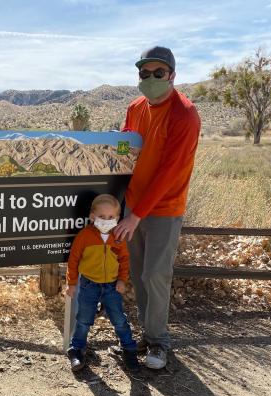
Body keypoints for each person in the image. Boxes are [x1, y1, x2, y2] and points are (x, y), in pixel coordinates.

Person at [112, 46, 201, 369]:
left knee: (156, 274)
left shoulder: (185, 115)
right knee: (138, 274)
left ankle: (159, 342)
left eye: (158, 73)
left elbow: (169, 172)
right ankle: (147, 336)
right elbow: (126, 146)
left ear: (173, 76)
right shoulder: (135, 107)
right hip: (133, 204)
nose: (150, 79)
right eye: (144, 74)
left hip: (163, 208)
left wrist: (136, 216)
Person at [65, 194, 139, 372]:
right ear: (92, 217)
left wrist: (122, 280)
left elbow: (124, 260)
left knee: (119, 319)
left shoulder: (118, 237)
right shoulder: (84, 236)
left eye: (111, 217)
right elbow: (73, 260)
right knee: (83, 319)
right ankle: (76, 350)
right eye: (102, 217)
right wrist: (72, 283)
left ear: (118, 218)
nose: (106, 221)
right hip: (88, 284)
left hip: (112, 286)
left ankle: (129, 349)